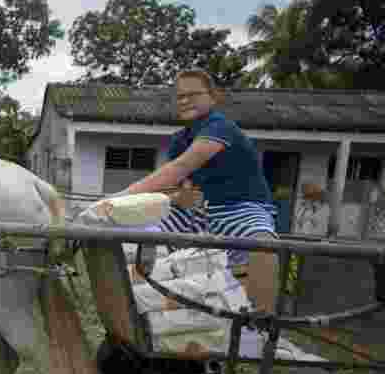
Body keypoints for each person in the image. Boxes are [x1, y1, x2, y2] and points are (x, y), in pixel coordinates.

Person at [118, 69, 279, 314]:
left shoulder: (220, 127)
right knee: (139, 233)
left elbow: (180, 167)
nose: (185, 101)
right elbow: (177, 185)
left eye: (192, 94)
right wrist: (176, 197)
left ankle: (259, 319)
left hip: (240, 207)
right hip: (198, 210)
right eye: (180, 96)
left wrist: (119, 199)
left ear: (213, 97)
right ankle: (137, 300)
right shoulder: (180, 139)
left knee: (262, 242)